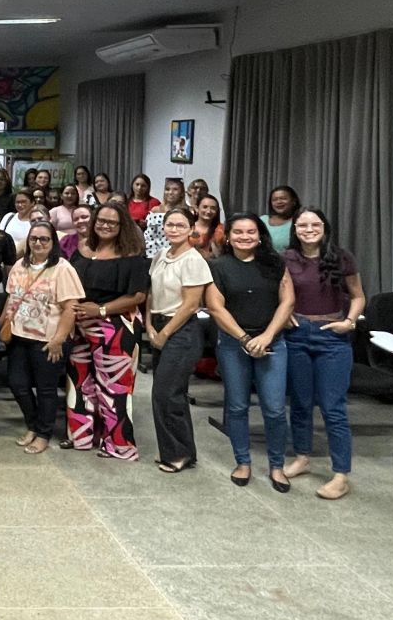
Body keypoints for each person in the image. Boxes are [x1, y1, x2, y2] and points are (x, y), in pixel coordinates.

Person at [206, 214, 295, 491]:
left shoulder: (275, 263)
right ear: (228, 237)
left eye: (251, 232)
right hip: (233, 344)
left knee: (275, 409)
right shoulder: (218, 266)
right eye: (238, 232)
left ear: (260, 236)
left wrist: (266, 336)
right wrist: (245, 339)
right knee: (236, 406)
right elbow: (216, 307)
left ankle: (277, 466)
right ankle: (243, 462)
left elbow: (288, 302)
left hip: (272, 343)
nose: (244, 236)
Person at [282, 208, 364, 500]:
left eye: (314, 224)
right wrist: (285, 316)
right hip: (297, 336)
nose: (309, 229)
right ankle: (302, 457)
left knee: (333, 407)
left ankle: (341, 475)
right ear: (295, 229)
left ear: (324, 227)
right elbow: (280, 295)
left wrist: (349, 322)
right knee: (300, 403)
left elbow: (358, 296)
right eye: (302, 225)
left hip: (333, 337)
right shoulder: (286, 258)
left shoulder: (342, 257)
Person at [65, 204, 149, 460]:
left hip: (116, 328)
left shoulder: (133, 256)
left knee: (114, 390)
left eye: (112, 222)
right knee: (80, 385)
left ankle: (119, 446)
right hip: (80, 327)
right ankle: (82, 437)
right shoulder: (82, 250)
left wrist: (100, 310)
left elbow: (137, 296)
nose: (105, 225)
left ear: (123, 226)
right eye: (101, 220)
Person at [2, 221, 84, 454]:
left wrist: (59, 339)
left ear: (53, 242)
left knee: (46, 388)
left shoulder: (63, 269)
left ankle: (43, 434)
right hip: (19, 335)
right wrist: (0, 326)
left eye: (44, 239)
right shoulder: (19, 266)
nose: (38, 243)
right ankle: (32, 424)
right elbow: (11, 299)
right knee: (17, 384)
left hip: (49, 340)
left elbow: (71, 307)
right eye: (34, 238)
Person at [146, 208, 213, 473]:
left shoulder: (194, 260)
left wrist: (165, 333)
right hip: (158, 323)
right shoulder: (161, 255)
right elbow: (151, 293)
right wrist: (149, 325)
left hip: (182, 330)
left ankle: (178, 453)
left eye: (180, 225)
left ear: (191, 228)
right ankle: (177, 450)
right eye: (170, 224)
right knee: (171, 394)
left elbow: (191, 304)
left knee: (166, 393)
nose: (173, 229)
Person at [143, 177, 187, 259]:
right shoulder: (156, 210)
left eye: (175, 189)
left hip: (180, 256)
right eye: (167, 189)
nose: (170, 192)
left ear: (181, 193)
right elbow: (150, 237)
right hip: (156, 256)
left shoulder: (187, 212)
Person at [264, 185, 301, 250]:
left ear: (294, 201)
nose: (279, 202)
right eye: (274, 200)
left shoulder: (300, 221)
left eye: (283, 198)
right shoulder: (263, 220)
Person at [0, 188, 36, 254]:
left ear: (32, 203)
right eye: (17, 202)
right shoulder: (8, 217)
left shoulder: (35, 222)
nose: (20, 205)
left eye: (23, 202)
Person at [191, 194, 225, 258]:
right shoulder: (187, 228)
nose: (209, 211)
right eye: (205, 207)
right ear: (197, 208)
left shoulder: (222, 230)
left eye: (213, 208)